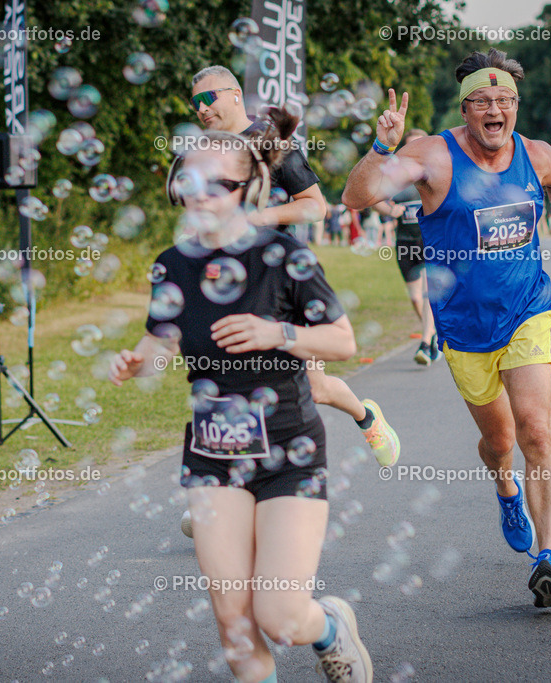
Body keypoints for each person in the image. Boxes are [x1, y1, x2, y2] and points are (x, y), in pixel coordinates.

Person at [115, 109, 374, 683]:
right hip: (212, 454)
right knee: (236, 629)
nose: (203, 195)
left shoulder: (283, 255)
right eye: (191, 181)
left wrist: (277, 333)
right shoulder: (172, 266)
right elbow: (161, 340)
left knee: (279, 617)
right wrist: (136, 362)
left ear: (250, 188)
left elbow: (343, 340)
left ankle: (328, 625)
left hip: (287, 451)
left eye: (221, 184)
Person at [343, 48, 551, 609]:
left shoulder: (536, 153)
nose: (496, 109)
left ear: (516, 106)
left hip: (528, 308)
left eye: (506, 101)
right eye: (484, 100)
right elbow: (356, 197)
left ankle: (548, 557)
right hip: (463, 326)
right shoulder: (433, 156)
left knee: (537, 432)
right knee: (500, 443)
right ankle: (506, 486)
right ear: (466, 107)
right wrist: (384, 146)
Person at [184, 65, 400, 468]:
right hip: (228, 282)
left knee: (314, 387)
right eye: (195, 102)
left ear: (234, 95)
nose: (201, 108)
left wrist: (254, 218)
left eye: (208, 97)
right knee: (230, 382)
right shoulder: (208, 152)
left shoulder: (271, 142)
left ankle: (366, 417)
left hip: (281, 280)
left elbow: (315, 206)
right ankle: (220, 490)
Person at [372, 128, 438, 365]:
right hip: (405, 243)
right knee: (415, 298)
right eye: (411, 146)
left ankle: (426, 341)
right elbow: (374, 200)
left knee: (429, 293)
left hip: (432, 241)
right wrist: (391, 210)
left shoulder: (438, 174)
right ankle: (433, 334)